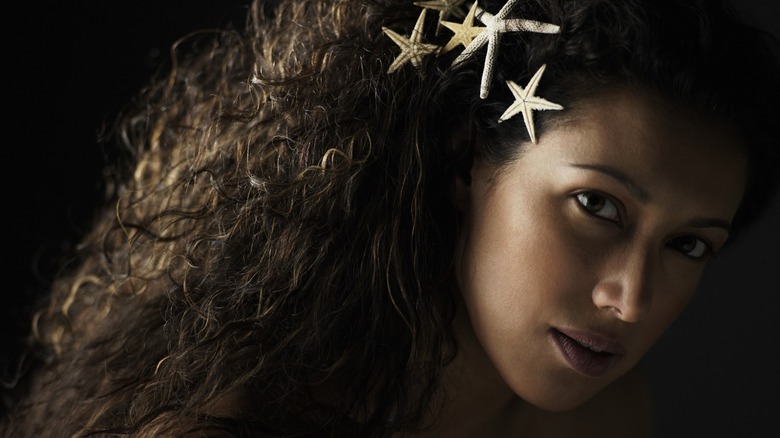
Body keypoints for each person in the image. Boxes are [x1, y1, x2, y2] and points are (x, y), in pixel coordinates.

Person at [1, 0, 778, 436]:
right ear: (465, 158)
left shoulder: (608, 417)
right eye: (597, 206)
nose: (632, 299)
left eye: (688, 244)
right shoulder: (236, 418)